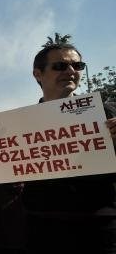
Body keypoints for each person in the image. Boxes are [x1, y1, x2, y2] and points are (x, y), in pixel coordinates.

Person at [19, 34, 116, 253]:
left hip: (98, 227)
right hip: (42, 227)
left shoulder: (106, 113)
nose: (71, 71)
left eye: (77, 65)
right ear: (38, 74)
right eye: (60, 66)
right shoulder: (20, 125)